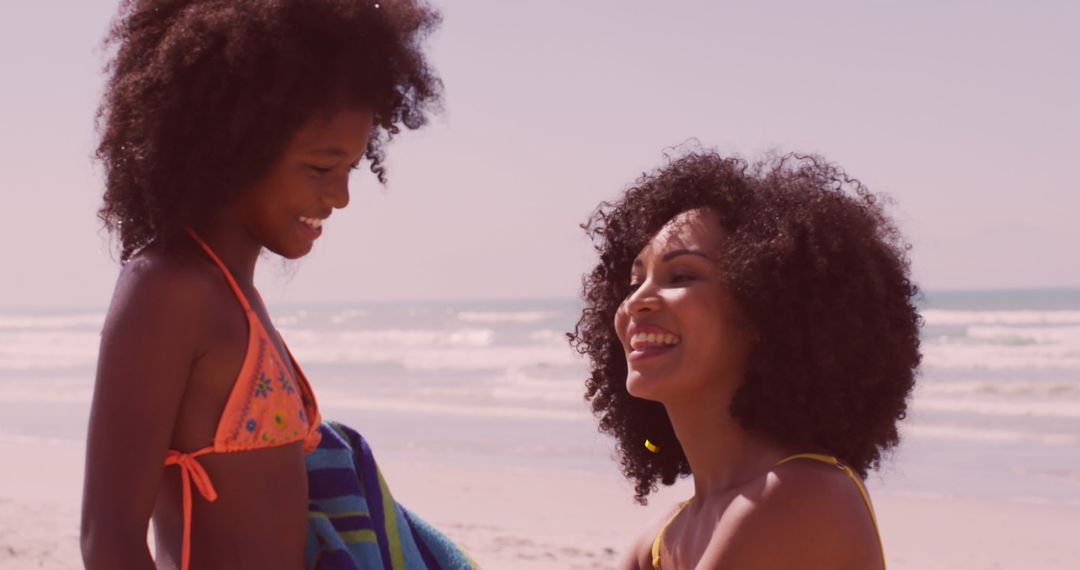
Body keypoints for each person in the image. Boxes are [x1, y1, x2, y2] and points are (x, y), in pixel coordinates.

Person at [81, 1, 443, 569]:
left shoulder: (237, 295)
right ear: (235, 146)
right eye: (321, 168)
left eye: (351, 168)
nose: (341, 196)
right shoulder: (168, 290)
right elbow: (109, 541)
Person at [569, 151, 921, 569]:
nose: (637, 302)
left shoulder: (804, 494)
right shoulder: (662, 540)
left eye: (681, 276)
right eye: (633, 281)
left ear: (765, 309)